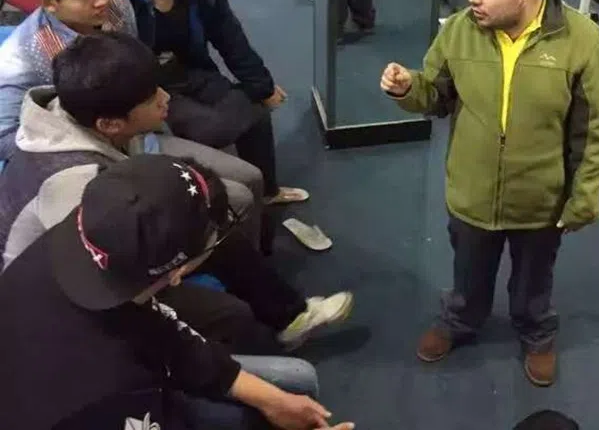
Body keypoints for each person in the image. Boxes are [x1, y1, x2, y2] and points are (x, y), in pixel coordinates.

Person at [0, 32, 353, 353]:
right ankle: (258, 366)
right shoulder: (72, 184)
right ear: (110, 124)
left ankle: (288, 318)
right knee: (228, 314)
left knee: (219, 227)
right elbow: (105, 280)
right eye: (151, 99)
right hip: (77, 296)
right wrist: (174, 266)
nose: (165, 98)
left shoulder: (89, 113)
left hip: (120, 245)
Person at [379, 0, 599, 386]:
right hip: (472, 190)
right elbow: (436, 95)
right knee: (468, 273)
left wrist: (584, 196)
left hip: (540, 199)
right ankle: (461, 320)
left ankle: (536, 332)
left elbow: (593, 131)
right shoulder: (459, 32)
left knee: (533, 282)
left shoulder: (582, 40)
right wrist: (408, 87)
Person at [0, 153, 354, 430]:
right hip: (101, 408)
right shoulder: (113, 389)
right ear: (178, 273)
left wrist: (271, 399)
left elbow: (165, 331)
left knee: (295, 382)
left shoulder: (79, 243)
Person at [108, 0, 311, 210]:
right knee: (210, 129)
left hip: (192, 72)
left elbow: (231, 39)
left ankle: (267, 191)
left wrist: (262, 86)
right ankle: (207, 201)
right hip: (150, 88)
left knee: (256, 109)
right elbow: (115, 64)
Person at [0, 0, 138, 160]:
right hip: (79, 153)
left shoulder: (116, 3)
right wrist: (84, 141)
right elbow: (4, 139)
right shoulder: (23, 58)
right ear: (49, 3)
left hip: (135, 128)